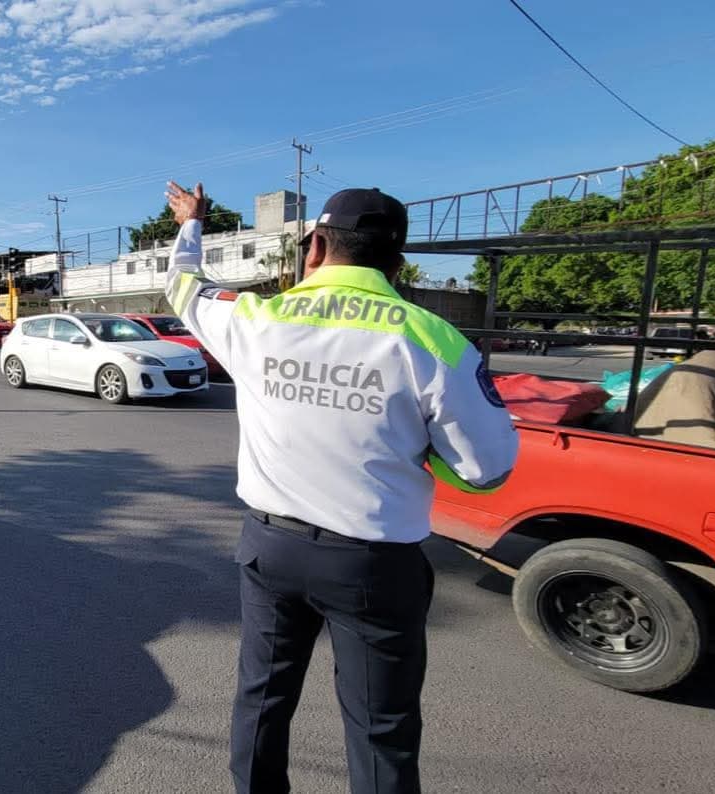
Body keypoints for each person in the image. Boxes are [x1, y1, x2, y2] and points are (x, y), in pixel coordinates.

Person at [163, 182, 519, 794]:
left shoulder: (257, 318)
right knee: (381, 728)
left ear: (318, 245)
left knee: (262, 698)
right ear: (397, 262)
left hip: (270, 549)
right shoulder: (433, 340)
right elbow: (487, 471)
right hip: (373, 565)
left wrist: (191, 223)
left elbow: (183, 287)